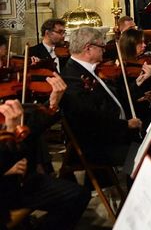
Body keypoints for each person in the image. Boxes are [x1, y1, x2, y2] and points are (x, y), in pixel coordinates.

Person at [0, 98, 91, 229]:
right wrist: (7, 166)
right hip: (4, 190)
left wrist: (53, 104)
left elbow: (31, 134)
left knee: (78, 195)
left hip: (19, 180)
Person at [61, 27, 142, 165]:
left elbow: (114, 97)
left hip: (113, 135)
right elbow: (90, 118)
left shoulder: (91, 70)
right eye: (101, 46)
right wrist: (125, 125)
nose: (104, 50)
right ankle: (132, 177)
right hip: (96, 145)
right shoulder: (72, 77)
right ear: (88, 49)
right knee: (143, 155)